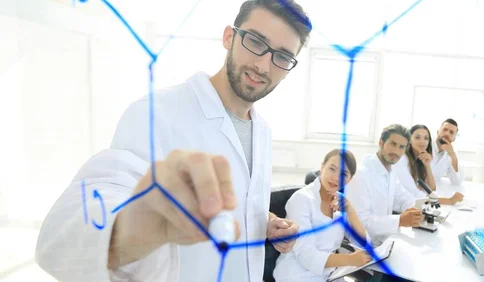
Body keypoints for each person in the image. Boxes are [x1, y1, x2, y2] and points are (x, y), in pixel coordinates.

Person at [35, 1, 312, 282]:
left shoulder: (262, 130)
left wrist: (268, 223)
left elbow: (243, 202)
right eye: (255, 41)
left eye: (282, 57)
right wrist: (132, 227)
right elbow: (75, 231)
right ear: (229, 37)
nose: (264, 64)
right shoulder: (156, 112)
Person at [273, 149, 372, 282]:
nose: (336, 177)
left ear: (350, 179)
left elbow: (363, 244)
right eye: (332, 169)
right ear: (322, 166)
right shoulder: (302, 199)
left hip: (329, 275)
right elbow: (305, 255)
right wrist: (350, 259)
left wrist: (351, 211)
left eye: (344, 174)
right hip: (296, 275)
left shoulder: (340, 203)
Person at [345, 124, 423, 248]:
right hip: (364, 250)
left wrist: (419, 209)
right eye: (392, 144)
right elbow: (360, 223)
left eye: (401, 147)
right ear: (381, 143)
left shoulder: (390, 172)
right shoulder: (360, 175)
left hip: (386, 242)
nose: (396, 151)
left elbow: (402, 197)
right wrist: (399, 220)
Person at [394, 125, 463, 205]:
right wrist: (449, 201)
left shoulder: (419, 160)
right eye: (417, 137)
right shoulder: (401, 159)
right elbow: (415, 194)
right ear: (409, 140)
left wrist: (427, 165)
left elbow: (431, 189)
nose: (422, 141)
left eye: (426, 138)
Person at [431, 118, 465, 185]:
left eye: (451, 132)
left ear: (454, 139)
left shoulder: (452, 154)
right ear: (438, 131)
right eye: (445, 129)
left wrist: (452, 155)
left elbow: (457, 182)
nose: (447, 133)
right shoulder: (424, 144)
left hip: (435, 189)